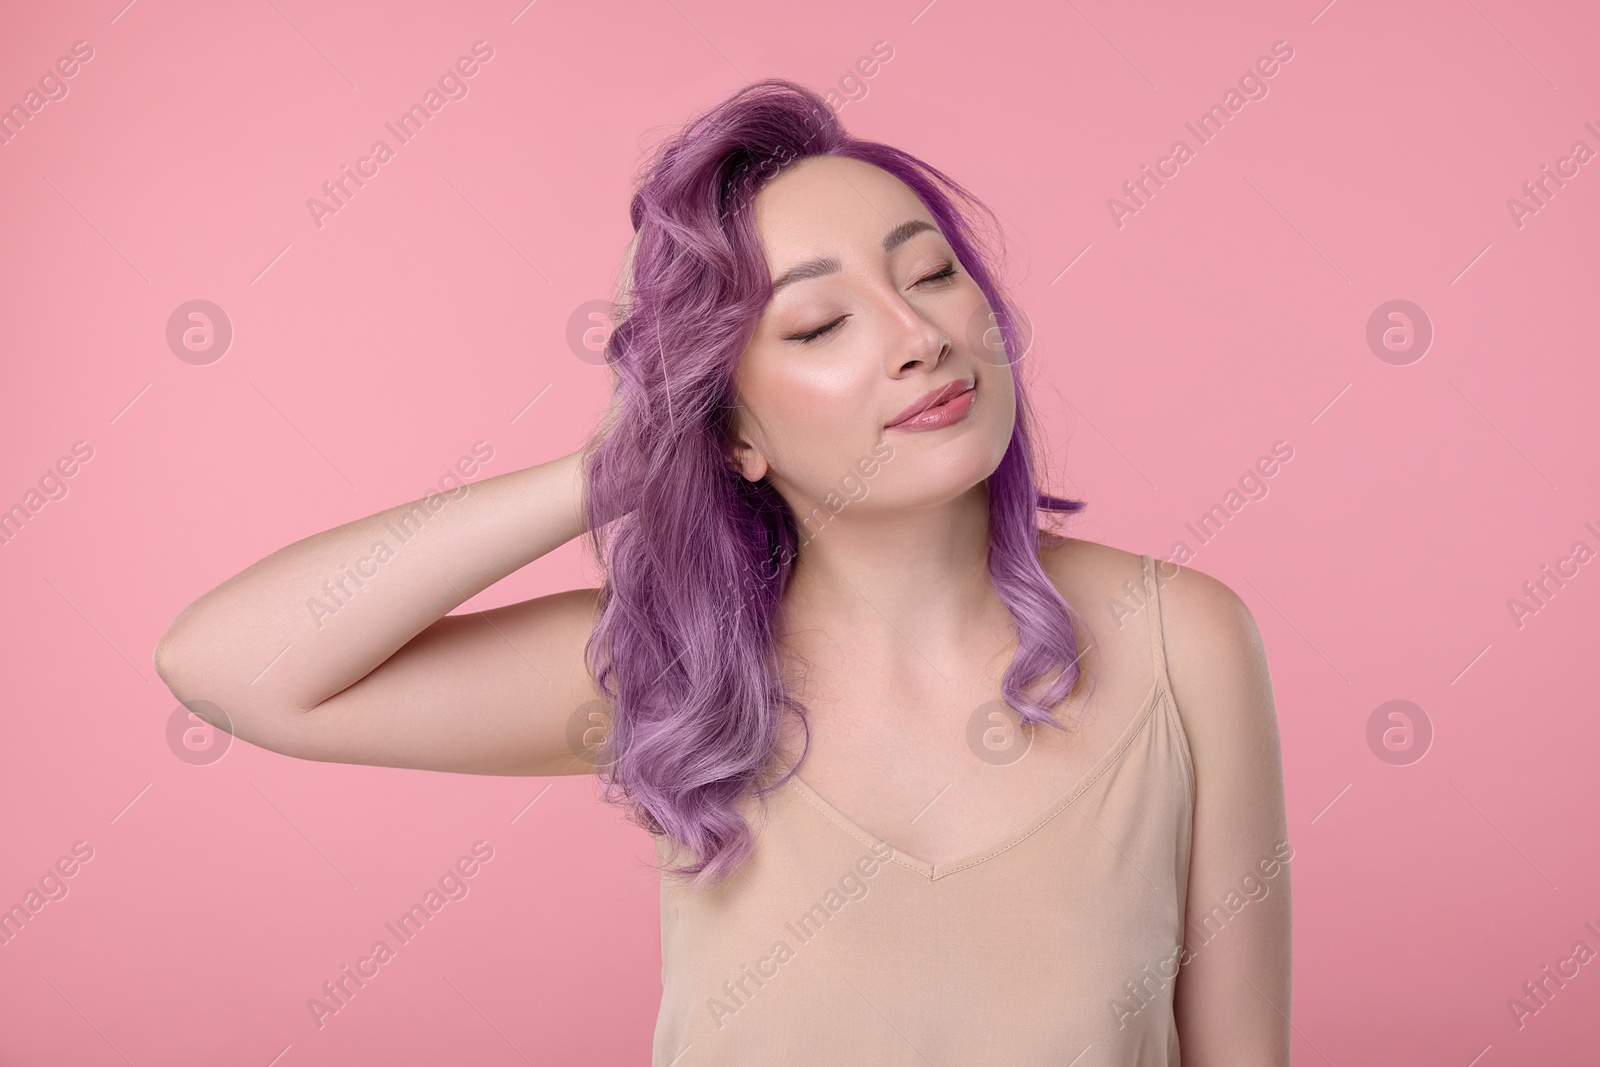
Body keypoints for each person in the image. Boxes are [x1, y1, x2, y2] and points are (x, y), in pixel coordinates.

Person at [154, 79, 1290, 1065]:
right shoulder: (674, 672)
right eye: (816, 324)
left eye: (933, 273)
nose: (917, 334)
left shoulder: (1178, 638)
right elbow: (228, 667)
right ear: (730, 429)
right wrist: (609, 467)